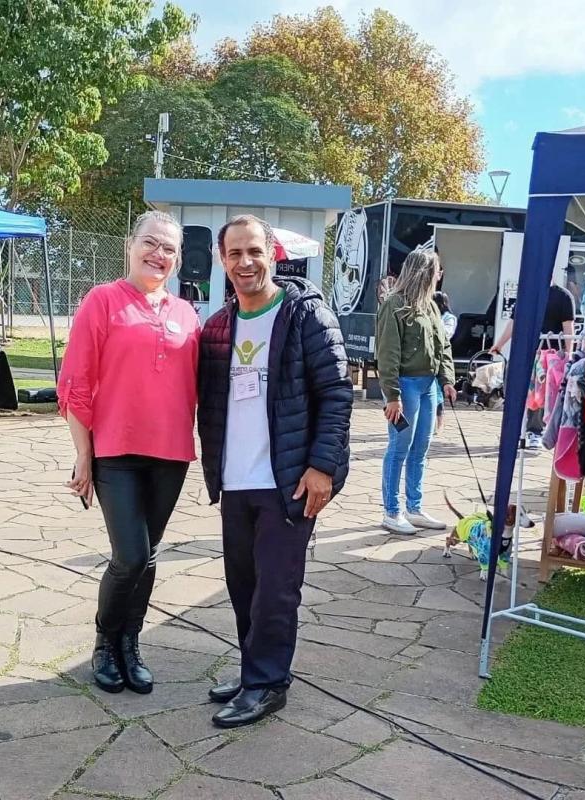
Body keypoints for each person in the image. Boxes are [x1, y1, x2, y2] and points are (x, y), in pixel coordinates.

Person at [198, 214, 353, 729]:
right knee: (242, 584)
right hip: (236, 481)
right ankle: (253, 670)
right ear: (223, 260)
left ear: (273, 254)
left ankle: (267, 684)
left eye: (254, 252)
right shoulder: (219, 327)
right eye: (235, 254)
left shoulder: (307, 315)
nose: (245, 263)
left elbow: (335, 395)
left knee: (276, 589)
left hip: (288, 481)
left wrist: (321, 468)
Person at [57, 210, 200, 695]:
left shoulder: (186, 315)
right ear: (130, 244)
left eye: (169, 249)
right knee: (130, 555)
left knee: (150, 553)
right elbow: (75, 383)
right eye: (151, 243)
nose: (158, 254)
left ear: (178, 260)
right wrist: (83, 453)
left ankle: (130, 644)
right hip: (115, 450)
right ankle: (105, 639)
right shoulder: (102, 301)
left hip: (171, 452)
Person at [376, 250, 456, 536]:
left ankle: (414, 506)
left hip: (428, 385)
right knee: (399, 448)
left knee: (420, 448)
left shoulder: (431, 306)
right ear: (424, 272)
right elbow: (387, 354)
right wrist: (392, 395)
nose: (440, 274)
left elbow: (442, 345)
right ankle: (392, 511)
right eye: (436, 269)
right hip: (405, 386)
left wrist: (447, 379)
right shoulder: (394, 305)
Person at [489, 280, 575, 448]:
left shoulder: (563, 296)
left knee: (541, 394)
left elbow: (568, 328)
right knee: (517, 391)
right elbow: (514, 322)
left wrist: (569, 354)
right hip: (524, 353)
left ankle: (535, 431)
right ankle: (514, 431)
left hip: (549, 355)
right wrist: (499, 344)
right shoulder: (526, 293)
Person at [433, 291, 457, 430]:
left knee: (439, 394)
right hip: (431, 357)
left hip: (442, 355)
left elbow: (447, 333)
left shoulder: (450, 318)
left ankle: (440, 424)